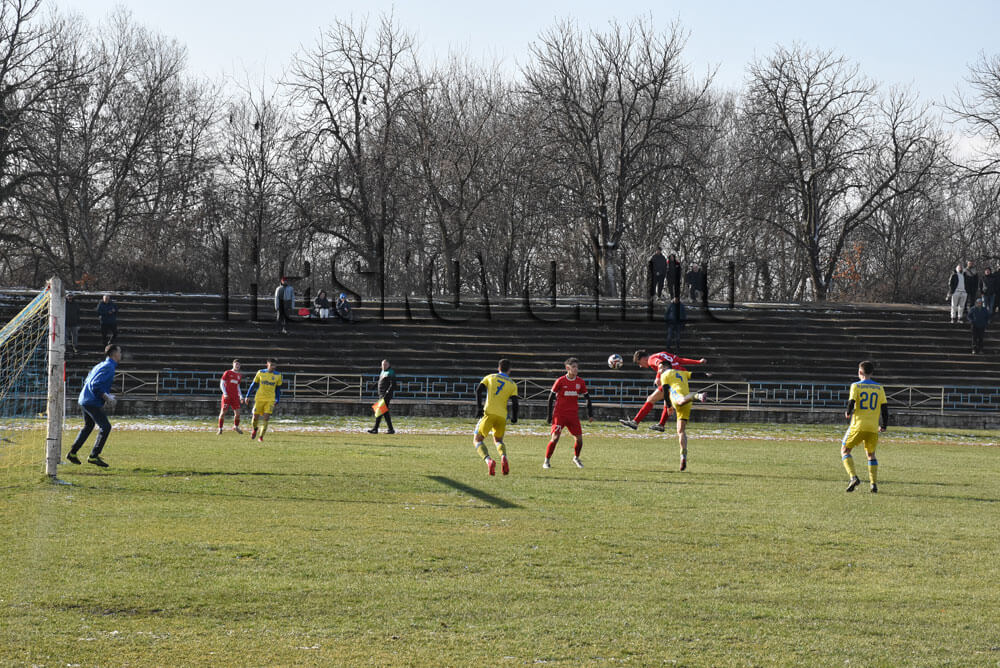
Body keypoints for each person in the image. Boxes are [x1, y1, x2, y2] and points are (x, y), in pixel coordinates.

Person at [619, 349, 706, 430]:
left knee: (651, 399)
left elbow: (660, 364)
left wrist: (657, 378)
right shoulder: (663, 354)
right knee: (667, 401)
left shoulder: (651, 359)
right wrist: (698, 362)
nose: (640, 366)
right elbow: (680, 360)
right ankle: (661, 425)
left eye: (639, 363)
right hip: (681, 377)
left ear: (643, 359)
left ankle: (635, 422)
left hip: (671, 378)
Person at [65, 343, 122, 468]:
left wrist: (106, 394)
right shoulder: (109, 367)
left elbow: (88, 380)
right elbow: (95, 385)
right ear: (114, 354)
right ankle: (93, 456)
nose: (120, 354)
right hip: (91, 402)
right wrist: (106, 397)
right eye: (119, 352)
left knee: (89, 426)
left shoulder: (101, 365)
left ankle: (72, 453)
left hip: (84, 399)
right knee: (105, 427)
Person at [841, 360, 888, 493]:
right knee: (871, 455)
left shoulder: (856, 385)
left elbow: (852, 401)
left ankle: (853, 477)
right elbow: (884, 408)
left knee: (845, 451)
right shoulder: (879, 388)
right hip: (873, 427)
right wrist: (884, 425)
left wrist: (848, 412)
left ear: (860, 372)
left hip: (858, 426)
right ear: (872, 372)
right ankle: (873, 484)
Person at [659, 364, 712, 471]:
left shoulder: (665, 374)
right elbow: (694, 374)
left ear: (665, 367)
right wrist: (705, 374)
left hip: (678, 396)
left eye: (660, 368)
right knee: (681, 431)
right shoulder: (682, 373)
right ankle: (683, 456)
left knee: (680, 401)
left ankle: (698, 395)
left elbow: (665, 391)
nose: (659, 370)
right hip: (688, 402)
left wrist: (669, 406)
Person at [543, 357, 594, 469]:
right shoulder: (560, 381)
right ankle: (546, 461)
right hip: (560, 415)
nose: (576, 369)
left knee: (579, 440)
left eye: (577, 367)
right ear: (567, 368)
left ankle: (576, 458)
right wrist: (549, 416)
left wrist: (590, 414)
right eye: (573, 367)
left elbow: (587, 398)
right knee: (555, 438)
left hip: (573, 415)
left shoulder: (580, 382)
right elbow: (550, 398)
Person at [474, 358, 519, 476]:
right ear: (509, 370)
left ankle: (489, 461)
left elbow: (478, 390)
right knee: (498, 440)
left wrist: (479, 408)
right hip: (502, 416)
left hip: (488, 413)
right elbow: (515, 402)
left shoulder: (490, 377)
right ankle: (503, 457)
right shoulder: (512, 384)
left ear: (498, 368)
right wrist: (514, 417)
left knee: (477, 439)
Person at [245, 358, 283, 443]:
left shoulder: (278, 375)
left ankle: (261, 437)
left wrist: (277, 399)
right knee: (255, 417)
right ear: (267, 365)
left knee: (266, 418)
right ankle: (255, 429)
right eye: (271, 365)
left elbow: (278, 389)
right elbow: (253, 384)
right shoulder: (260, 372)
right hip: (259, 398)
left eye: (274, 365)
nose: (273, 367)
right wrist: (247, 396)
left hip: (270, 399)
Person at [368, 359, 396, 434]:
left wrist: (387, 392)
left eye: (385, 364)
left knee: (379, 410)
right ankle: (390, 429)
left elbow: (393, 384)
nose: (384, 366)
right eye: (383, 365)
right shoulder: (383, 371)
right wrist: (374, 386)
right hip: (381, 394)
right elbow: (380, 380)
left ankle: (375, 429)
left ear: (389, 365)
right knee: (384, 412)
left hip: (386, 395)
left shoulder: (391, 372)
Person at [218, 359, 244, 435]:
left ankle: (236, 427)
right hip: (227, 396)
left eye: (239, 364)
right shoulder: (227, 372)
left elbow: (238, 386)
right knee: (223, 412)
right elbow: (222, 383)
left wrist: (241, 396)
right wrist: (225, 393)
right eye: (236, 364)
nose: (237, 365)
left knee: (238, 413)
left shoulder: (239, 375)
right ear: (233, 364)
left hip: (235, 396)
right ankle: (220, 429)